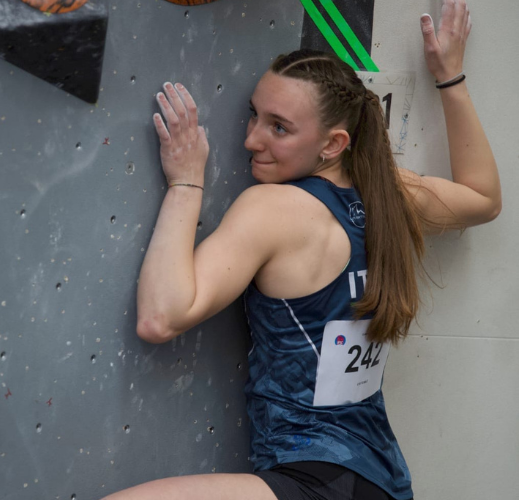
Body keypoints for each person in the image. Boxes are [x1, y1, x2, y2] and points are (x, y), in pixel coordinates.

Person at [102, 1, 501, 499]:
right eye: (254, 115)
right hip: (381, 481)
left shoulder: (274, 209)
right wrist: (451, 76)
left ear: (333, 144)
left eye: (279, 127)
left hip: (315, 480)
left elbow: (160, 318)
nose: (251, 139)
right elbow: (484, 199)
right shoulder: (388, 194)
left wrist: (185, 182)